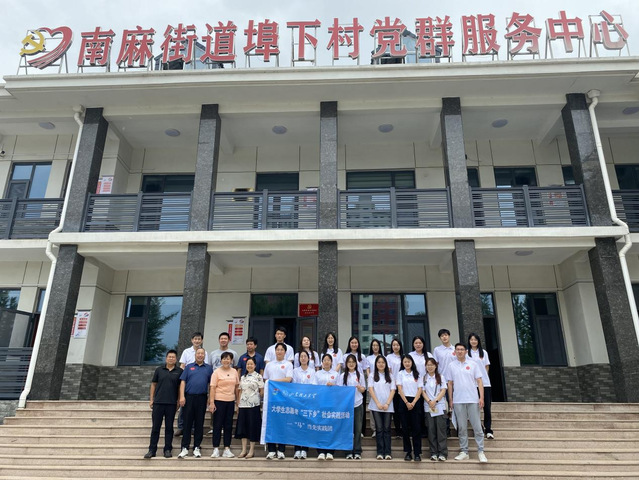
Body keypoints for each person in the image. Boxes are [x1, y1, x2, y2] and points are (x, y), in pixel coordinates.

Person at [445, 343, 487, 463]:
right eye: (457, 349)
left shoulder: (473, 364)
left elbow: (479, 381)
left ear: (466, 351)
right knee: (462, 428)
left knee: (477, 427)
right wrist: (451, 399)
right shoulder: (451, 365)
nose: (459, 351)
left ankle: (481, 451)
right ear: (455, 352)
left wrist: (481, 397)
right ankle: (464, 451)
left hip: (472, 399)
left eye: (462, 349)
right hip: (458, 400)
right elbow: (450, 384)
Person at [144, 350, 183, 459]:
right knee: (155, 428)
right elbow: (153, 384)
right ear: (166, 358)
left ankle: (167, 449)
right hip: (158, 403)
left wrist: (179, 400)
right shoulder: (159, 370)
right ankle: (152, 450)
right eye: (169, 357)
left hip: (171, 403)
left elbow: (180, 387)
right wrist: (151, 399)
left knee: (169, 428)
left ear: (176, 359)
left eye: (173, 357)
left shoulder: (179, 371)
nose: (171, 358)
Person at [177, 347, 212, 459]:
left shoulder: (209, 368)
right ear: (195, 355)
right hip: (189, 398)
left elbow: (211, 385)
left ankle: (197, 447)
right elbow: (183, 382)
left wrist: (210, 398)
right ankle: (185, 448)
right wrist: (182, 396)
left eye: (202, 353)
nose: (200, 355)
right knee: (187, 423)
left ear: (204, 355)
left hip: (202, 398)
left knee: (199, 423)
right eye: (198, 353)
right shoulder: (189, 367)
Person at [175, 331, 209, 437]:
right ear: (192, 340)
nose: (197, 341)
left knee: (196, 409)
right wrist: (181, 379)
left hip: (199, 379)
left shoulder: (204, 352)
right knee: (184, 406)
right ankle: (181, 427)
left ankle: (194, 428)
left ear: (202, 341)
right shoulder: (186, 351)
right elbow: (182, 365)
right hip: (187, 379)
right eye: (195, 339)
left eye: (199, 339)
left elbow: (206, 365)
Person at [263, 342, 293, 459]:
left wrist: (273, 381)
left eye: (281, 350)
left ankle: (281, 449)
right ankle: (271, 450)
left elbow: (288, 379)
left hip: (283, 398)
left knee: (282, 424)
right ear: (274, 351)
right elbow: (265, 379)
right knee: (271, 423)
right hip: (271, 398)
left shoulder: (288, 364)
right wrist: (271, 382)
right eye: (277, 350)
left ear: (285, 352)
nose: (279, 351)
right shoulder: (269, 365)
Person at [209, 351, 240, 458]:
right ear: (221, 360)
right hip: (219, 401)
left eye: (228, 359)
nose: (226, 360)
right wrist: (212, 402)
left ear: (231, 361)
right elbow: (212, 387)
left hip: (230, 401)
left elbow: (237, 387)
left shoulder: (234, 372)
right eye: (224, 358)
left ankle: (227, 448)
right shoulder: (216, 372)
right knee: (217, 425)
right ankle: (216, 448)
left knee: (228, 425)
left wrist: (237, 401)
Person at [208, 332, 238, 434]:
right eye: (222, 338)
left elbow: (236, 367)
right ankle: (213, 427)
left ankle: (225, 429)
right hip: (215, 381)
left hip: (229, 383)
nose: (223, 340)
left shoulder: (234, 353)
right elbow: (210, 367)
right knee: (214, 405)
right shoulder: (213, 353)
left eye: (225, 338)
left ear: (229, 340)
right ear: (219, 340)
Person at [396, 354, 423, 461]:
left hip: (415, 401)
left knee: (416, 428)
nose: (407, 363)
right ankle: (408, 452)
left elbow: (420, 389)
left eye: (409, 361)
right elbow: (399, 389)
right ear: (402, 363)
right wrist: (407, 402)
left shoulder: (417, 374)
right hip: (404, 401)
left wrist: (414, 402)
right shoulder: (400, 374)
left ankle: (417, 453)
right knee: (405, 429)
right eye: (405, 362)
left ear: (412, 362)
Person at [235, 357, 264, 459]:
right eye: (248, 364)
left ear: (255, 365)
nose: (249, 366)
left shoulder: (258, 377)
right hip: (243, 405)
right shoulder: (243, 377)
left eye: (251, 364)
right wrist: (238, 403)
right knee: (243, 428)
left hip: (253, 406)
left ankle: (251, 450)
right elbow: (240, 391)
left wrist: (258, 399)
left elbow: (262, 391)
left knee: (252, 427)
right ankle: (244, 450)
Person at [368, 355, 395, 460]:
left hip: (388, 406)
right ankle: (380, 452)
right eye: (379, 362)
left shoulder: (390, 376)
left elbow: (393, 390)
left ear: (386, 364)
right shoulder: (372, 375)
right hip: (376, 406)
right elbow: (371, 390)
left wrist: (387, 403)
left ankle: (387, 452)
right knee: (379, 429)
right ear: (376, 364)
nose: (381, 364)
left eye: (383, 362)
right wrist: (378, 403)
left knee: (387, 429)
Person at [339, 354, 366, 459]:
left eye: (353, 362)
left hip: (357, 403)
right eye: (349, 362)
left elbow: (364, 389)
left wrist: (360, 388)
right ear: (346, 364)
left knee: (358, 429)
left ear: (356, 363)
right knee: (347, 429)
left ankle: (357, 451)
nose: (351, 364)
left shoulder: (359, 375)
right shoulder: (342, 376)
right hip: (346, 405)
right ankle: (348, 451)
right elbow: (340, 390)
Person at [467, 332, 493, 439]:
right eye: (471, 339)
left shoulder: (484, 352)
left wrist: (482, 377)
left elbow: (486, 366)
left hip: (485, 384)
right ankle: (479, 428)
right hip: (472, 385)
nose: (473, 341)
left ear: (478, 341)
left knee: (487, 407)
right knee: (474, 408)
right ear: (469, 341)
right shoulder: (467, 353)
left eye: (475, 339)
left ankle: (488, 429)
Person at [292, 350, 316, 459]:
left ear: (308, 358)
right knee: (297, 425)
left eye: (305, 356)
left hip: (308, 402)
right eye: (301, 356)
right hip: (297, 401)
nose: (303, 358)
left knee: (306, 426)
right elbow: (294, 385)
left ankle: (305, 449)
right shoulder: (295, 371)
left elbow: (313, 386)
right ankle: (297, 449)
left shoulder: (312, 371)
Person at [423, 358, 448, 462]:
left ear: (435, 366)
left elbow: (443, 390)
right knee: (431, 431)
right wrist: (429, 401)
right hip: (428, 407)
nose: (430, 367)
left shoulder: (441, 377)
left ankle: (442, 453)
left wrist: (435, 401)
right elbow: (422, 391)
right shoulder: (424, 378)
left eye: (432, 365)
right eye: (428, 365)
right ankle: (433, 453)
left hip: (440, 407)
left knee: (441, 431)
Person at [314, 354, 337, 460]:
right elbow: (314, 388)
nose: (326, 362)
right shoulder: (317, 374)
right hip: (320, 403)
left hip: (332, 404)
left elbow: (340, 389)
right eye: (324, 360)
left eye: (328, 360)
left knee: (331, 427)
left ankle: (330, 451)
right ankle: (321, 451)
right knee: (320, 427)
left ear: (331, 362)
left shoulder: (336, 374)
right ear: (322, 362)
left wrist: (333, 386)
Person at [345, 336, 369, 434]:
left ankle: (361, 431)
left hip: (360, 384)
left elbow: (366, 369)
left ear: (358, 344)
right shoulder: (345, 356)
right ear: (349, 344)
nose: (354, 344)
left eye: (355, 343)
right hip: (349, 386)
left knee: (361, 411)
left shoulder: (362, 356)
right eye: (352, 343)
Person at [366, 339, 384, 437]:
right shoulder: (369, 358)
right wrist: (371, 379)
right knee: (373, 407)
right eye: (373, 345)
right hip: (372, 385)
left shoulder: (383, 357)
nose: (375, 347)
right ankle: (375, 429)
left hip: (382, 386)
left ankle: (382, 428)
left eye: (377, 345)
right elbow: (367, 370)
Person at [386, 338, 404, 437]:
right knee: (396, 409)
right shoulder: (389, 357)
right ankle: (398, 430)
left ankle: (405, 429)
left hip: (404, 387)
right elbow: (389, 371)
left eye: (397, 345)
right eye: (394, 345)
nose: (395, 347)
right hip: (394, 386)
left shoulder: (404, 357)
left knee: (403, 409)